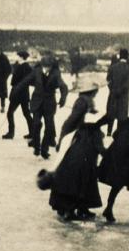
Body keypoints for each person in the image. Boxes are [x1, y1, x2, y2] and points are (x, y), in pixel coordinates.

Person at [45, 76, 106, 221]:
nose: (97, 91)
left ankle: (81, 206)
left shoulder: (86, 101)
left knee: (85, 174)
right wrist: (62, 138)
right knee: (77, 174)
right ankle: (69, 208)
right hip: (81, 141)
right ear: (91, 91)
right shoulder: (82, 102)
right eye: (95, 89)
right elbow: (70, 122)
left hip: (87, 140)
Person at [25, 55, 68, 159]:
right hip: (37, 103)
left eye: (49, 66)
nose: (46, 68)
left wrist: (63, 98)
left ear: (52, 66)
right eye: (45, 66)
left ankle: (44, 149)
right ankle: (36, 146)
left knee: (49, 128)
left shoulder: (56, 73)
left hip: (49, 104)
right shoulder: (36, 71)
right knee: (36, 124)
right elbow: (25, 81)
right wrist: (15, 92)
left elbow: (63, 86)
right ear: (41, 65)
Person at [3, 50, 35, 140]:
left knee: (10, 113)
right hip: (23, 94)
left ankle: (11, 133)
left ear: (21, 57)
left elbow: (22, 81)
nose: (16, 57)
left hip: (19, 94)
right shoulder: (23, 66)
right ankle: (32, 132)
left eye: (18, 56)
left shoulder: (24, 67)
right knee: (26, 113)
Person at [104, 48, 129, 136]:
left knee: (111, 113)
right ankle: (119, 132)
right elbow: (127, 83)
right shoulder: (128, 69)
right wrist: (121, 91)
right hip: (123, 96)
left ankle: (109, 131)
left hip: (113, 94)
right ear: (127, 57)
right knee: (122, 115)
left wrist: (112, 89)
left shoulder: (113, 67)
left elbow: (108, 80)